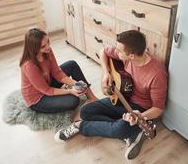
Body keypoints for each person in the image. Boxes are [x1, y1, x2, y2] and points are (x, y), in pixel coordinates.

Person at [54, 30, 168, 160]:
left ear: (131, 56)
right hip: (122, 99)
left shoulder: (157, 74)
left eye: (119, 51)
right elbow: (104, 51)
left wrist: (141, 116)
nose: (116, 52)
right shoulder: (127, 55)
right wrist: (106, 73)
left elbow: (158, 109)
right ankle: (130, 132)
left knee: (118, 129)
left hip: (140, 109)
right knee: (86, 111)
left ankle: (79, 126)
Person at [20, 28, 97, 114]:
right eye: (43, 46)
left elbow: (57, 73)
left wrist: (75, 83)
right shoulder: (29, 65)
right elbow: (47, 90)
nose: (48, 47)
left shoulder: (47, 51)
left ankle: (91, 97)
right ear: (33, 48)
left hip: (47, 83)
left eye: (48, 42)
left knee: (72, 64)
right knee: (73, 100)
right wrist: (70, 91)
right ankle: (66, 94)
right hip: (38, 98)